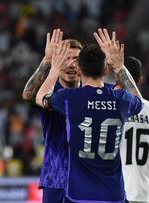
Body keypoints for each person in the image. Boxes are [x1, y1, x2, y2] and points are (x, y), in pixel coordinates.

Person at [36, 29, 142, 202]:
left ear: (79, 69)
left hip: (80, 194)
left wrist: (54, 68)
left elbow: (40, 98)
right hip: (113, 194)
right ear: (106, 69)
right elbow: (138, 99)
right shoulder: (120, 99)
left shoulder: (70, 99)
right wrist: (120, 67)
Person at [22, 29, 82, 202]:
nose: (71, 64)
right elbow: (27, 95)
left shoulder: (89, 93)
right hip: (55, 177)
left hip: (84, 179)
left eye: (76, 59)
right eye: (66, 58)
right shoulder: (48, 91)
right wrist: (47, 61)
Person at [119, 56, 149, 203]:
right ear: (140, 78)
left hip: (114, 191)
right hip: (141, 192)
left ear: (117, 76)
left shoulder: (112, 107)